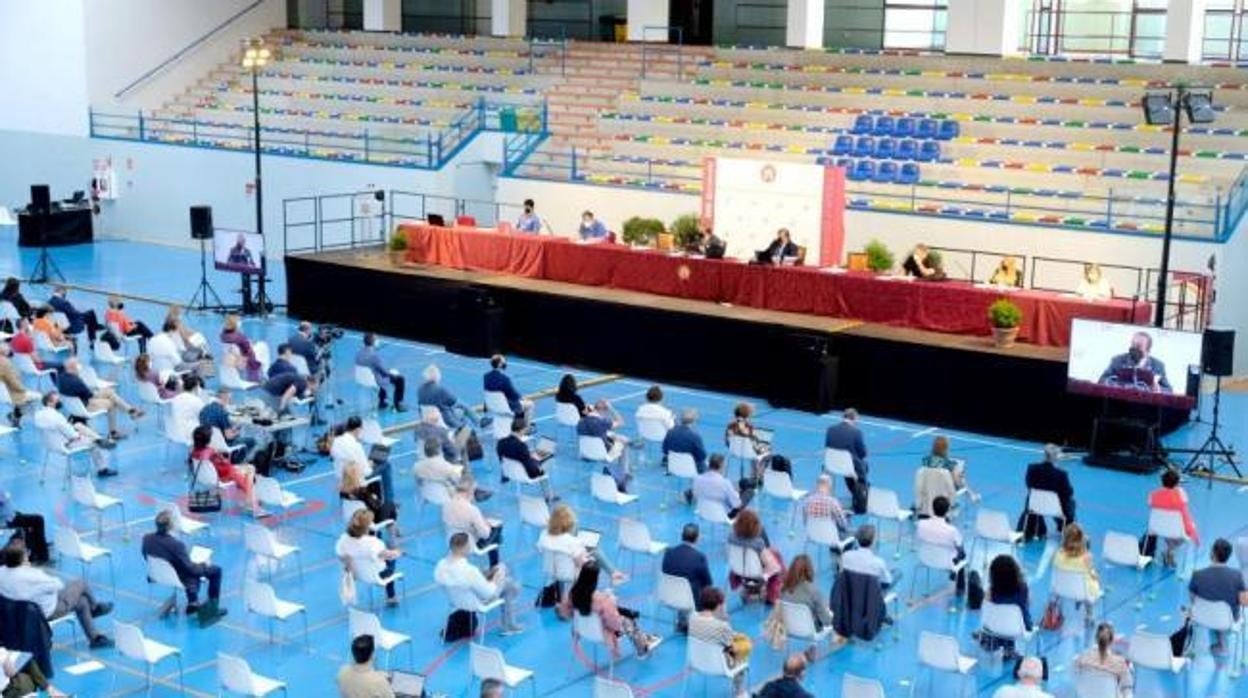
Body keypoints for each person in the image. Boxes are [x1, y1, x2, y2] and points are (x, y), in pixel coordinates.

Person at [0, 540, 113, 648]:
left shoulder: (2, 572)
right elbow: (58, 585)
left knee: (82, 602)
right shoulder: (33, 575)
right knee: (81, 584)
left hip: (18, 614)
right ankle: (94, 608)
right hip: (46, 611)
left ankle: (95, 638)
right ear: (23, 557)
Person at [141, 509, 229, 625]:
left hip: (157, 574)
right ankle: (211, 610)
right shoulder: (177, 545)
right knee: (214, 571)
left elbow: (145, 556)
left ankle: (193, 602)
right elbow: (191, 569)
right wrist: (204, 565)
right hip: (177, 576)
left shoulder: (147, 539)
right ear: (171, 526)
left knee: (187, 569)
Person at [433, 532, 523, 634]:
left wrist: (488, 575)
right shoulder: (469, 571)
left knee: (501, 577)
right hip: (477, 602)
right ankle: (510, 625)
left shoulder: (440, 566)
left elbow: (461, 581)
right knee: (507, 580)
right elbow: (489, 593)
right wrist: (498, 577)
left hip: (455, 600)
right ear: (464, 548)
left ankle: (509, 621)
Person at [568, 561, 660, 658]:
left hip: (582, 629)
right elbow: (614, 623)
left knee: (623, 613)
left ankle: (643, 638)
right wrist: (611, 600)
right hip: (601, 632)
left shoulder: (573, 592)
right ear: (595, 579)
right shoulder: (601, 600)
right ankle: (642, 648)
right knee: (628, 621)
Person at [56, 357, 143, 439]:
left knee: (109, 392)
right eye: (77, 366)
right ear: (73, 368)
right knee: (111, 403)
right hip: (86, 405)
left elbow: (85, 393)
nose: (79, 367)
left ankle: (130, 410)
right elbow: (90, 395)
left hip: (76, 404)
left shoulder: (60, 378)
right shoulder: (76, 381)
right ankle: (113, 432)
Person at [190, 424, 266, 518]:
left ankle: (249, 500)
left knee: (248, 470)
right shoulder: (212, 453)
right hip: (223, 476)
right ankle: (254, 505)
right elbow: (226, 468)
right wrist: (224, 459)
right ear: (208, 440)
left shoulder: (194, 451)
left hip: (207, 477)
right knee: (249, 473)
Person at [1188, 538, 1248, 655]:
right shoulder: (1237, 576)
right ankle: (1222, 644)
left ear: (1212, 553)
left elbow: (1193, 600)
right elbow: (1244, 602)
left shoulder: (1197, 575)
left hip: (1201, 617)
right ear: (1228, 557)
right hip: (1227, 621)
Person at [538, 504, 625, 585]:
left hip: (550, 570)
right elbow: (581, 561)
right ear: (569, 525)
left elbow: (540, 549)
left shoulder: (544, 534)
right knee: (594, 554)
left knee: (589, 552)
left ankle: (613, 573)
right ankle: (612, 574)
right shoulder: (572, 542)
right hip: (570, 575)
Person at [689, 587, 750, 698]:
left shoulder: (692, 618)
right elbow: (731, 645)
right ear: (718, 605)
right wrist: (725, 619)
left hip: (697, 661)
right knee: (741, 653)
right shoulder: (722, 626)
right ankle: (740, 692)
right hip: (718, 666)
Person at [34, 391, 114, 476]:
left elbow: (60, 429)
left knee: (78, 425)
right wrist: (78, 435)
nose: (59, 402)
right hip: (65, 445)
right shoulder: (57, 416)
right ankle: (102, 469)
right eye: (57, 400)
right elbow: (72, 435)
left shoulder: (38, 415)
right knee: (93, 443)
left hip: (50, 444)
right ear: (49, 403)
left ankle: (100, 439)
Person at [336, 509, 402, 606]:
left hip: (356, 574)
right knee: (391, 560)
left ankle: (391, 597)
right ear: (368, 526)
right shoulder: (374, 543)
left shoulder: (343, 540)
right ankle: (391, 597)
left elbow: (340, 555)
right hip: (376, 576)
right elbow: (390, 555)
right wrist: (398, 552)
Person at [661, 523, 713, 632]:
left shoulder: (668, 552)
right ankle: (699, 623)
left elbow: (665, 570)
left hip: (668, 595)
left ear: (682, 535)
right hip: (689, 600)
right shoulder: (699, 557)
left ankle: (683, 619)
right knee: (705, 590)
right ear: (697, 538)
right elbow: (708, 583)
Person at [1019, 443, 1075, 540]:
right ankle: (1065, 526)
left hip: (1034, 506)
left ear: (1044, 455)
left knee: (1032, 496)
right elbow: (1068, 492)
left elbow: (1029, 485)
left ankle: (1030, 527)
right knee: (1071, 502)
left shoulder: (1032, 468)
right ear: (1056, 457)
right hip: (1054, 508)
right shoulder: (1061, 474)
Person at [442, 477, 503, 567]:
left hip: (451, 538)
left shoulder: (446, 504)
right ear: (471, 492)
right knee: (497, 529)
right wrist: (487, 525)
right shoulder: (472, 510)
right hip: (469, 543)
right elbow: (485, 534)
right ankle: (494, 568)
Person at [728, 509, 785, 604]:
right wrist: (765, 576)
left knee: (773, 554)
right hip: (757, 573)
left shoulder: (731, 538)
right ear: (755, 527)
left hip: (737, 569)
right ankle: (771, 596)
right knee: (777, 564)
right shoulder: (758, 543)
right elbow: (773, 568)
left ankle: (749, 587)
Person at [333, 416, 393, 504]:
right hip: (355, 477)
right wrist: (370, 465)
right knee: (386, 465)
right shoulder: (356, 446)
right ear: (357, 430)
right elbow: (366, 472)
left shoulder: (336, 441)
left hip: (341, 476)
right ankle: (389, 503)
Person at [496, 416, 556, 502]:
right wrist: (538, 462)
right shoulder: (521, 446)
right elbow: (531, 469)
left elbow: (505, 458)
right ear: (521, 430)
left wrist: (529, 456)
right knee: (549, 460)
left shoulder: (500, 442)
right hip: (525, 474)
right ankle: (549, 496)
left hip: (508, 472)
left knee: (535, 456)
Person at [983, 554, 1032, 660]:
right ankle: (1009, 649)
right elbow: (1028, 603)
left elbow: (987, 607)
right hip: (1021, 627)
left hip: (995, 627)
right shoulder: (1023, 588)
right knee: (1012, 620)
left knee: (1001, 619)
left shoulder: (992, 591)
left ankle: (994, 642)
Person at [578, 399, 632, 492]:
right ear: (603, 411)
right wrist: (611, 408)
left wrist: (613, 436)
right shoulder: (603, 422)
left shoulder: (580, 422)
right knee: (624, 444)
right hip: (603, 453)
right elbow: (621, 422)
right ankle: (623, 476)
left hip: (586, 453)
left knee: (618, 438)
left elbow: (596, 433)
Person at [1052, 523, 1101, 625]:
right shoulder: (1086, 558)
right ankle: (1089, 614)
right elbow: (1092, 574)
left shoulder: (1058, 555)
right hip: (1083, 592)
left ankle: (1059, 610)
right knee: (1094, 579)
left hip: (1061, 589)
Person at [915, 496, 965, 591]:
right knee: (961, 551)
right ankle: (960, 588)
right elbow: (959, 547)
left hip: (925, 557)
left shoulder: (921, 524)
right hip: (946, 562)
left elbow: (919, 538)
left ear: (932, 508)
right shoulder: (952, 530)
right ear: (947, 511)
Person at [824, 408, 869, 514]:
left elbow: (827, 446)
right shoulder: (857, 432)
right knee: (863, 466)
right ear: (855, 419)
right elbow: (863, 454)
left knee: (850, 466)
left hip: (830, 464)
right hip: (847, 467)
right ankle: (859, 499)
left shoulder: (830, 429)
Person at [1098, 330, 1172, 393]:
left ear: (1148, 350)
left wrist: (1158, 389)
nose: (1134, 348)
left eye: (1139, 346)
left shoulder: (1158, 366)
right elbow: (1102, 380)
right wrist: (1115, 384)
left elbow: (1169, 390)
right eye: (1133, 345)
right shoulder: (1118, 360)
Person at [1074, 622, 1133, 697]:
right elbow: (1127, 688)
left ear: (1095, 638)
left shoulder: (1082, 658)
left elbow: (1075, 677)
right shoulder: (1119, 663)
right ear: (1112, 641)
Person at [198, 387, 256, 463]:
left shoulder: (204, 409)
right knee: (252, 441)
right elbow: (229, 436)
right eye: (230, 399)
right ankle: (236, 463)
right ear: (225, 398)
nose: (230, 401)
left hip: (208, 442)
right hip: (222, 445)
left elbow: (216, 427)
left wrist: (233, 429)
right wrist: (237, 432)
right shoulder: (222, 412)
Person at [780, 554, 832, 635]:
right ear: (809, 570)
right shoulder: (814, 591)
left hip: (789, 628)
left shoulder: (783, 590)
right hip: (812, 630)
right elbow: (826, 621)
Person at [340, 461, 397, 530]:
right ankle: (392, 529)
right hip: (368, 519)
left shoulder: (343, 491)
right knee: (391, 506)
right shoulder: (362, 492)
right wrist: (373, 497)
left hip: (351, 518)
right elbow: (376, 505)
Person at [356, 332, 406, 412]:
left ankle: (382, 402)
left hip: (362, 379)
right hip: (374, 381)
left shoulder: (359, 353)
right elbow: (384, 372)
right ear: (373, 342)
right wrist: (392, 374)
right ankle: (398, 405)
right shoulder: (374, 356)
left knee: (384, 375)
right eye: (376, 339)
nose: (378, 341)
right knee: (400, 379)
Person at [692, 453, 752, 518]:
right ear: (721, 466)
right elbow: (737, 505)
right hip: (724, 515)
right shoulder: (725, 483)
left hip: (703, 511)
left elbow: (696, 494)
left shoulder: (697, 479)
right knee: (750, 491)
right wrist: (736, 494)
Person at [801, 474, 851, 548]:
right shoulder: (833, 502)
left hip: (812, 535)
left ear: (817, 485)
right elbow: (843, 525)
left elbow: (805, 522)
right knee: (846, 531)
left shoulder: (807, 502)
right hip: (830, 538)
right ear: (829, 486)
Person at [263, 344, 316, 415]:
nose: (291, 355)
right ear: (287, 352)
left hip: (270, 394)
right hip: (282, 398)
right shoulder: (291, 369)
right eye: (291, 353)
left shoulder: (271, 368)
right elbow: (290, 390)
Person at [417, 364, 471, 430]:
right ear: (437, 376)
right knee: (462, 409)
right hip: (446, 421)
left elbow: (420, 408)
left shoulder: (420, 390)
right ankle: (477, 422)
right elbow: (454, 402)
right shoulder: (440, 389)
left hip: (427, 420)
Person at [841, 524, 896, 589]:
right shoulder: (878, 562)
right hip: (869, 596)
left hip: (850, 594)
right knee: (896, 572)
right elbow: (887, 581)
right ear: (873, 541)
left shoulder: (845, 556)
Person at [0, 645, 65, 698]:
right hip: (9, 691)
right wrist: (7, 657)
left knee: (29, 665)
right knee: (31, 676)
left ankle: (49, 689)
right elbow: (11, 672)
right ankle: (49, 689)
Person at [724, 401, 768, 480]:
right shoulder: (749, 426)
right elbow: (755, 443)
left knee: (755, 452)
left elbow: (727, 441)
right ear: (747, 414)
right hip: (747, 452)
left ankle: (755, 474)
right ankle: (758, 476)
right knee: (765, 453)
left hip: (733, 451)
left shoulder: (730, 425)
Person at [483, 354, 532, 422]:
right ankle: (525, 427)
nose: (505, 363)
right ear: (500, 364)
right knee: (529, 404)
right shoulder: (505, 379)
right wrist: (522, 398)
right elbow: (514, 394)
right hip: (505, 406)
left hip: (492, 404)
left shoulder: (486, 376)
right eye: (503, 362)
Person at [665, 407, 708, 475]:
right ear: (694, 421)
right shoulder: (695, 437)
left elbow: (665, 450)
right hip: (691, 468)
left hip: (672, 466)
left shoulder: (670, 432)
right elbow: (702, 456)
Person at [220, 314, 262, 382]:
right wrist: (251, 344)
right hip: (241, 358)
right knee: (256, 355)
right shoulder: (239, 336)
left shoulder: (223, 335)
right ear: (235, 323)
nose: (240, 322)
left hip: (228, 357)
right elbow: (247, 349)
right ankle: (255, 379)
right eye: (239, 321)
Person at [0, 343, 33, 426]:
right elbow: (13, 382)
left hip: (4, 391)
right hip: (9, 393)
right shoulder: (5, 363)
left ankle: (14, 415)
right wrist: (23, 389)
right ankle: (15, 416)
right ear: (5, 352)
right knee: (35, 398)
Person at [169, 374, 206, 444]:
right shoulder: (196, 401)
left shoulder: (175, 399)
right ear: (197, 387)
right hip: (190, 434)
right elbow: (205, 417)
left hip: (174, 431)